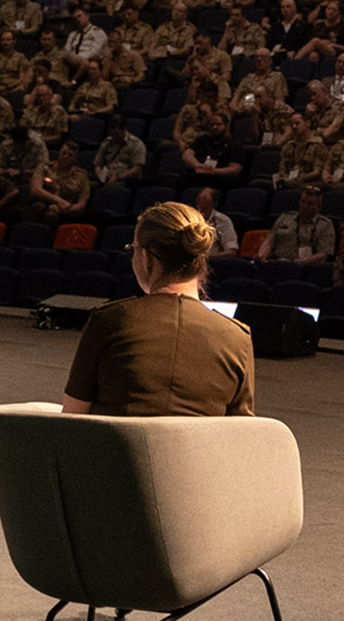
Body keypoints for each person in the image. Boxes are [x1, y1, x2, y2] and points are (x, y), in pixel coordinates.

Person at [62, 201, 254, 417]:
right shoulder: (238, 338)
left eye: (133, 249)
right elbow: (241, 432)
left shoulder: (109, 320)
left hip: (116, 450)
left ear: (146, 258)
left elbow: (72, 420)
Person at [259, 186, 335, 265]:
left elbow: (323, 255)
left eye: (309, 204)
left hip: (303, 267)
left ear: (318, 207)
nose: (304, 206)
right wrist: (263, 255)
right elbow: (270, 240)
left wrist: (298, 263)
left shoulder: (325, 225)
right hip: (275, 262)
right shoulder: (285, 217)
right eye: (303, 202)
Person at [29, 140, 91, 226]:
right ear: (59, 153)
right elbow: (35, 189)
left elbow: (82, 204)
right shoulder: (45, 167)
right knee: (38, 207)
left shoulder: (82, 176)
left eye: (70, 155)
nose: (66, 157)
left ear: (75, 159)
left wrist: (63, 208)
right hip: (43, 204)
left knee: (52, 215)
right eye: (64, 153)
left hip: (65, 211)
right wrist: (57, 200)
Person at [93, 113, 146, 185]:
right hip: (106, 176)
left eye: (116, 134)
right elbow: (97, 165)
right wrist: (101, 177)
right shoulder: (107, 142)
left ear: (123, 129)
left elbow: (136, 169)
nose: (113, 137)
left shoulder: (136, 144)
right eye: (111, 134)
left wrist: (118, 177)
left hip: (126, 179)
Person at [196, 187, 238, 257]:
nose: (201, 212)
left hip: (214, 262)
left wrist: (209, 257)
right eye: (199, 206)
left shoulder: (223, 221)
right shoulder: (191, 219)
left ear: (214, 206)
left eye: (206, 207)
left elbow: (232, 252)